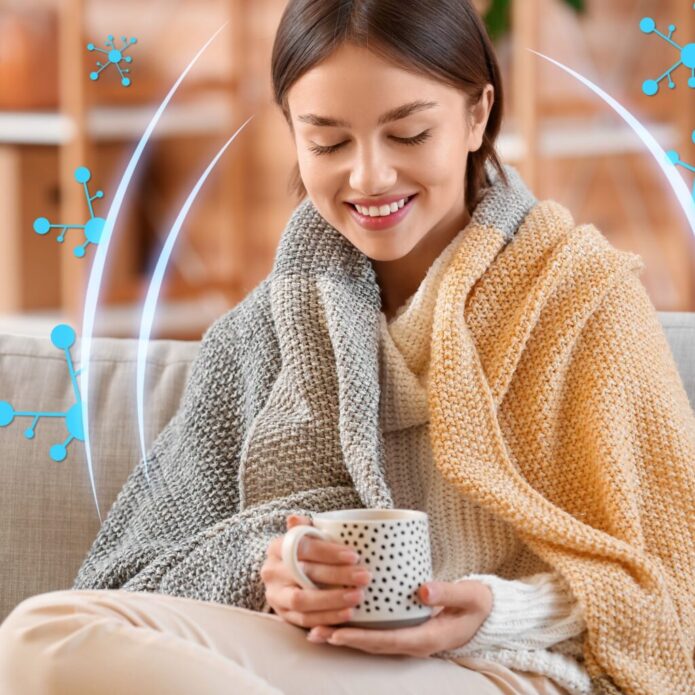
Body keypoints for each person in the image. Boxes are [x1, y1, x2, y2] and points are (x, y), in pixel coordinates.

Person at [1, 1, 694, 694]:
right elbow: (129, 574)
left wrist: (488, 610)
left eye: (409, 133)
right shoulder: (263, 332)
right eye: (329, 144)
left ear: (477, 115)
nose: (368, 178)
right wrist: (272, 569)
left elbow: (674, 592)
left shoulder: (582, 299)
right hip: (319, 654)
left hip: (502, 667)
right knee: (40, 635)